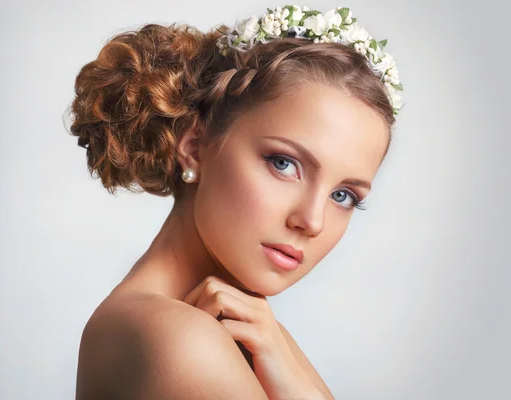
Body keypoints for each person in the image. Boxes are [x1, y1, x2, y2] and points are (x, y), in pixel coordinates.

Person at [67, 5, 403, 399]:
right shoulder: (179, 338)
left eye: (343, 196)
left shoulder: (256, 331)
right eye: (284, 164)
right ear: (195, 147)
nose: (312, 222)